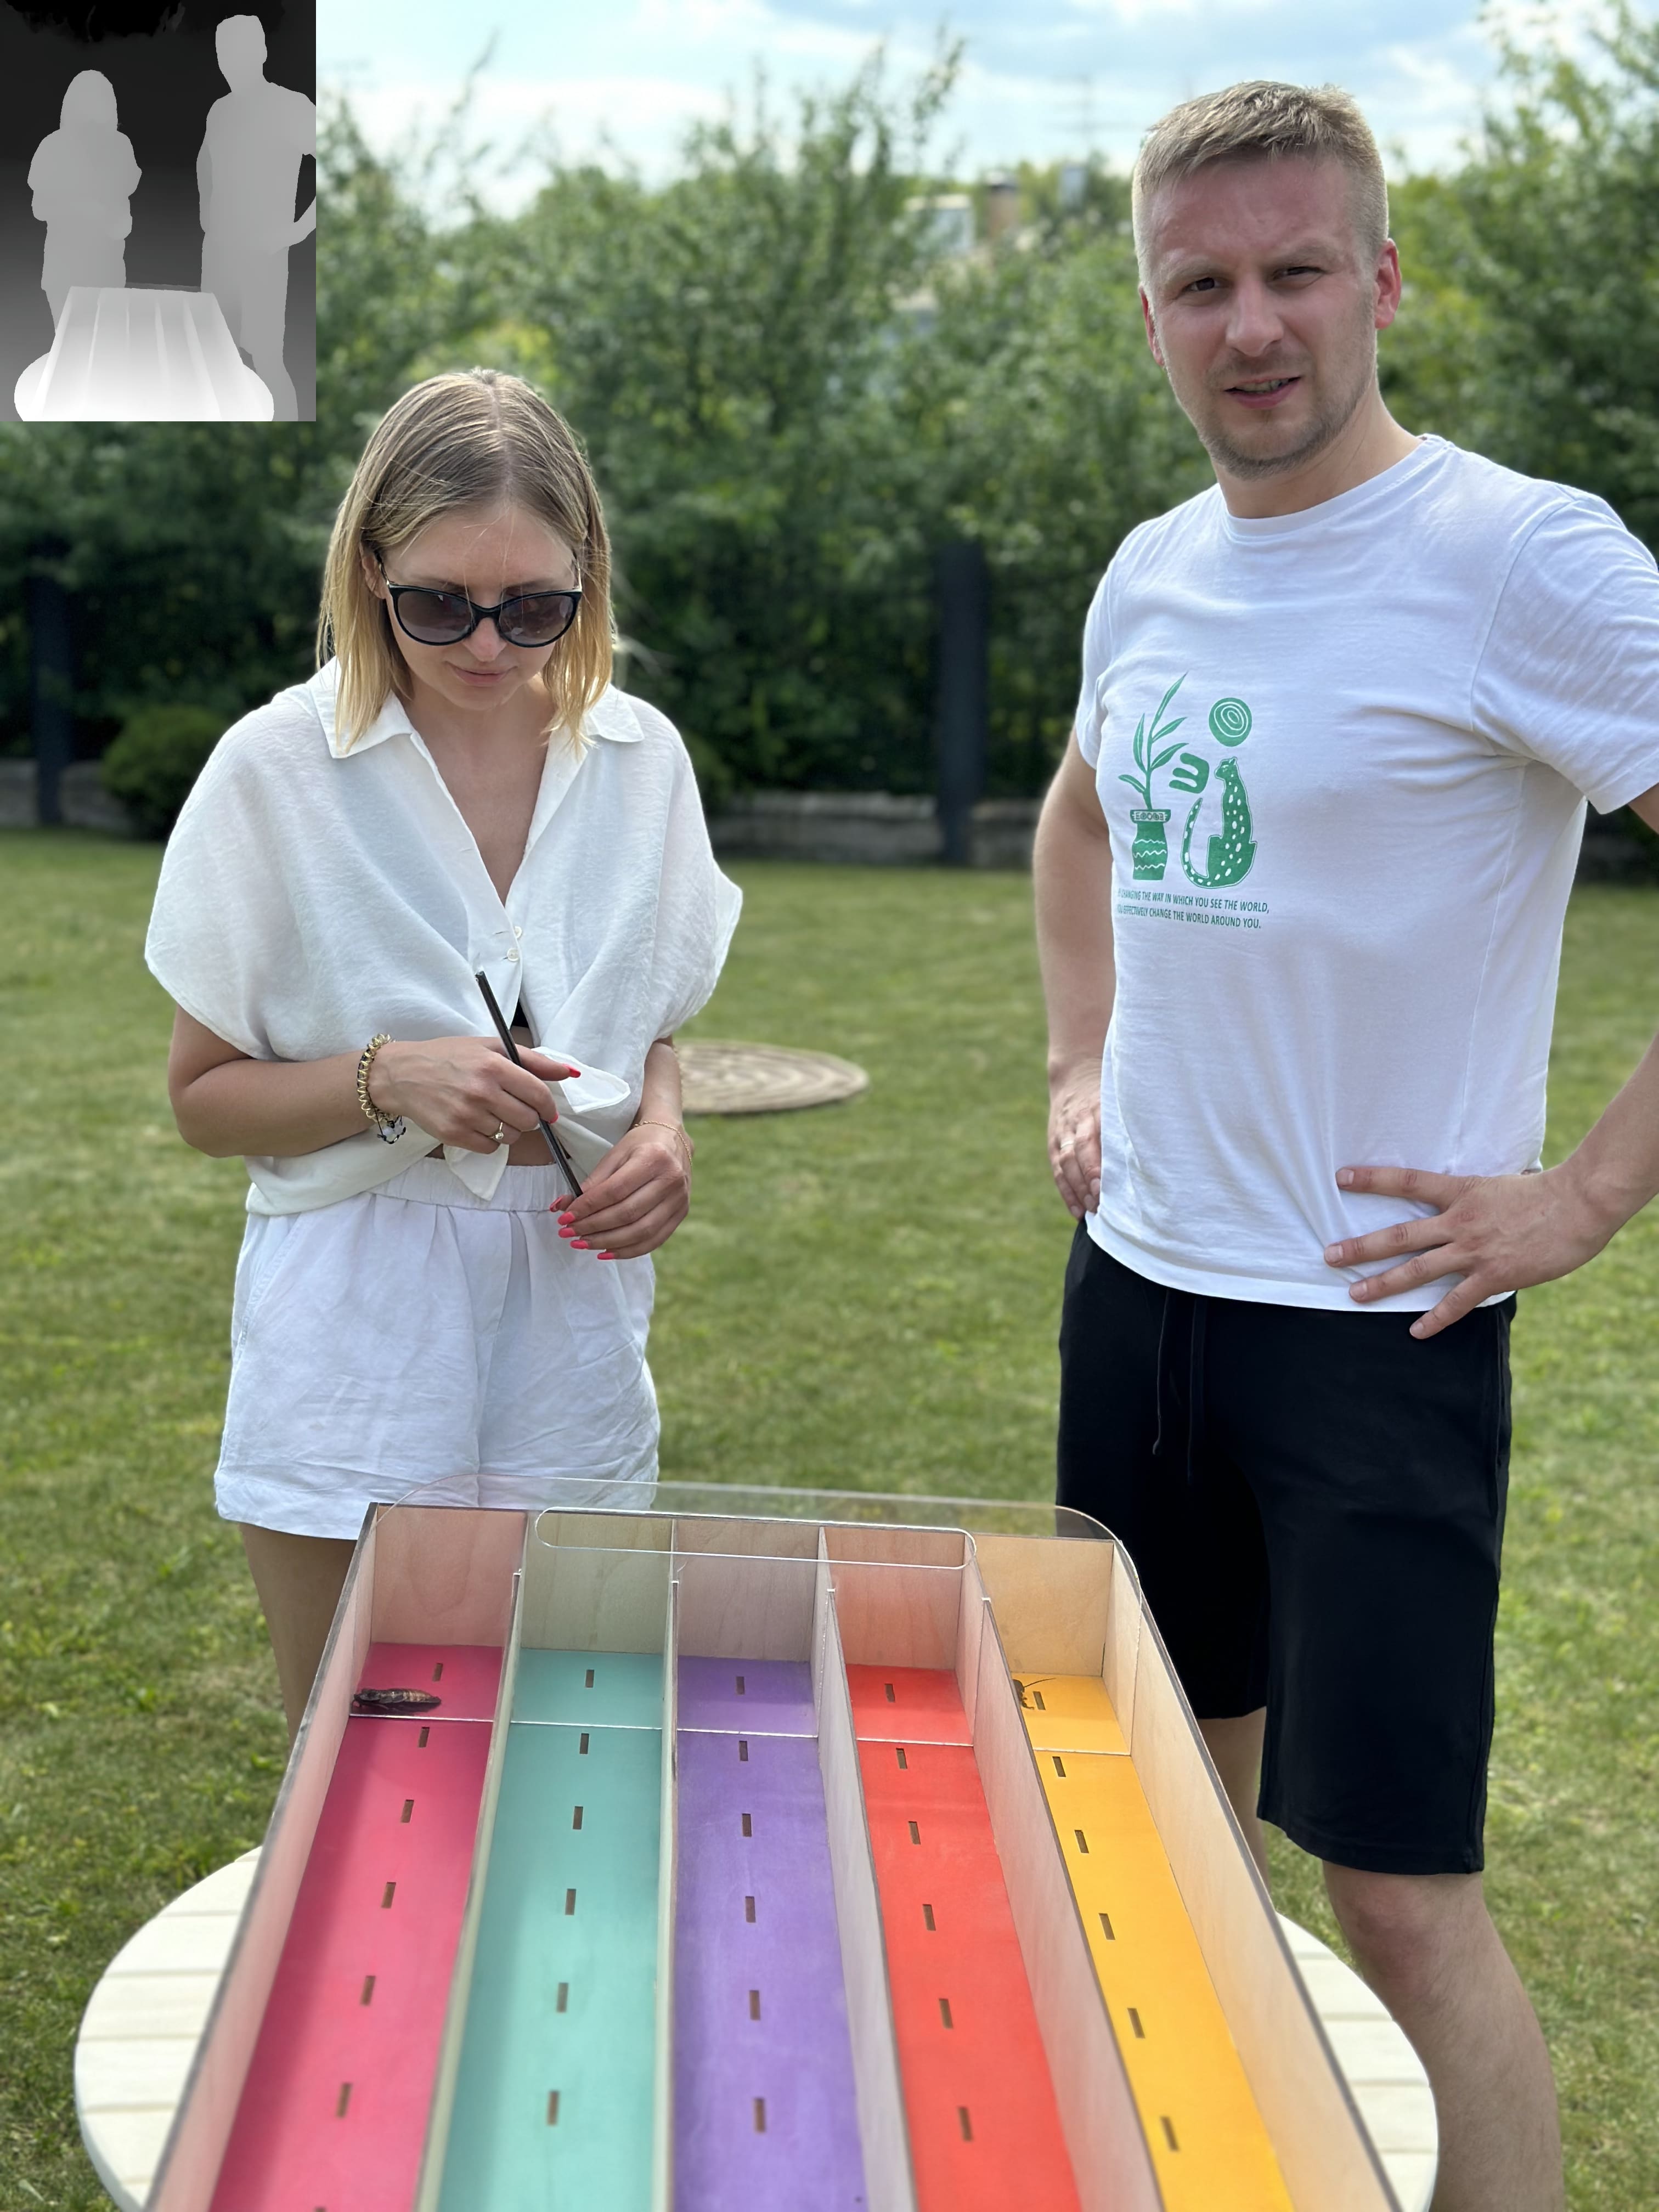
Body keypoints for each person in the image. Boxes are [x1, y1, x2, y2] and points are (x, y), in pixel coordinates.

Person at [1034, 80, 1659, 2212]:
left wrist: (1586, 1194)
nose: (1250, 323)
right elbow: (1081, 820)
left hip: (1373, 1332)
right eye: (1198, 282)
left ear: (1380, 280)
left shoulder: (1521, 557)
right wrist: (1078, 1061)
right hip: (1140, 1299)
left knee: (1395, 1900)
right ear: (1148, 314)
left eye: (1295, 271)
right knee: (1154, 1829)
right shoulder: (1149, 571)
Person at [147, 369, 740, 1740]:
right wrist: (388, 1077)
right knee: (358, 1752)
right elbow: (202, 1101)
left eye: (534, 607)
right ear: (370, 570)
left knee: (567, 1740)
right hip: (355, 1308)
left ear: (588, 578)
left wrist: (663, 1130)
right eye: (438, 605)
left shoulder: (641, 761)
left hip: (572, 1295)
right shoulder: (277, 769)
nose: (486, 643)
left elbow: (650, 1021)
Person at [196, 13, 314, 421]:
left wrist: (295, 232)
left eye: (240, 50)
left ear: (262, 52)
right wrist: (207, 212)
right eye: (223, 51)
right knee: (218, 359)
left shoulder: (290, 106)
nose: (230, 60)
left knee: (266, 361)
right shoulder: (219, 111)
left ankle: (287, 437)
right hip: (219, 256)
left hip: (263, 260)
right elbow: (205, 161)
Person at [27, 71, 141, 328]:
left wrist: (118, 222)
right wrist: (81, 210)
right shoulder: (53, 147)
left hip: (107, 271)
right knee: (69, 339)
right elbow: (39, 207)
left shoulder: (120, 146)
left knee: (105, 338)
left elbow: (123, 203)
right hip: (64, 273)